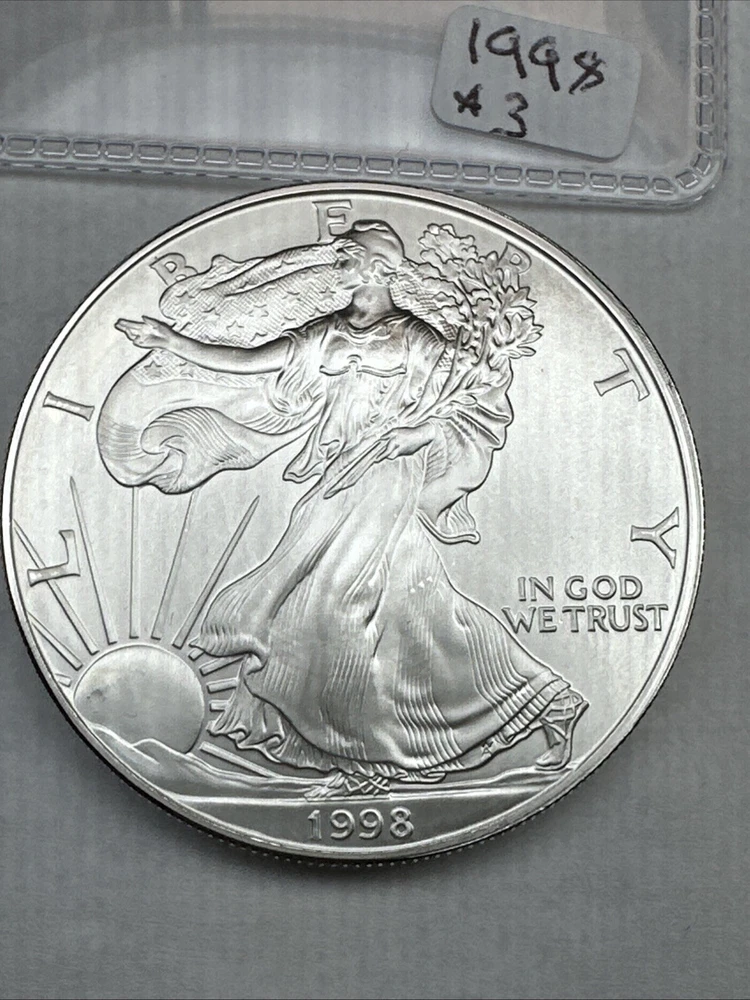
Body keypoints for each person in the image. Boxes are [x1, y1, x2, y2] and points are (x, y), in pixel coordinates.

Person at [116, 220, 586, 797]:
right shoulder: (327, 332)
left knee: (335, 605)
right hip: (337, 477)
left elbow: (468, 405)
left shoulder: (417, 340)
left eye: (346, 256)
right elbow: (250, 361)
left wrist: (417, 435)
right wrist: (172, 343)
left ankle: (369, 763)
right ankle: (546, 701)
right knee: (421, 614)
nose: (335, 263)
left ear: (377, 269)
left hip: (386, 475)